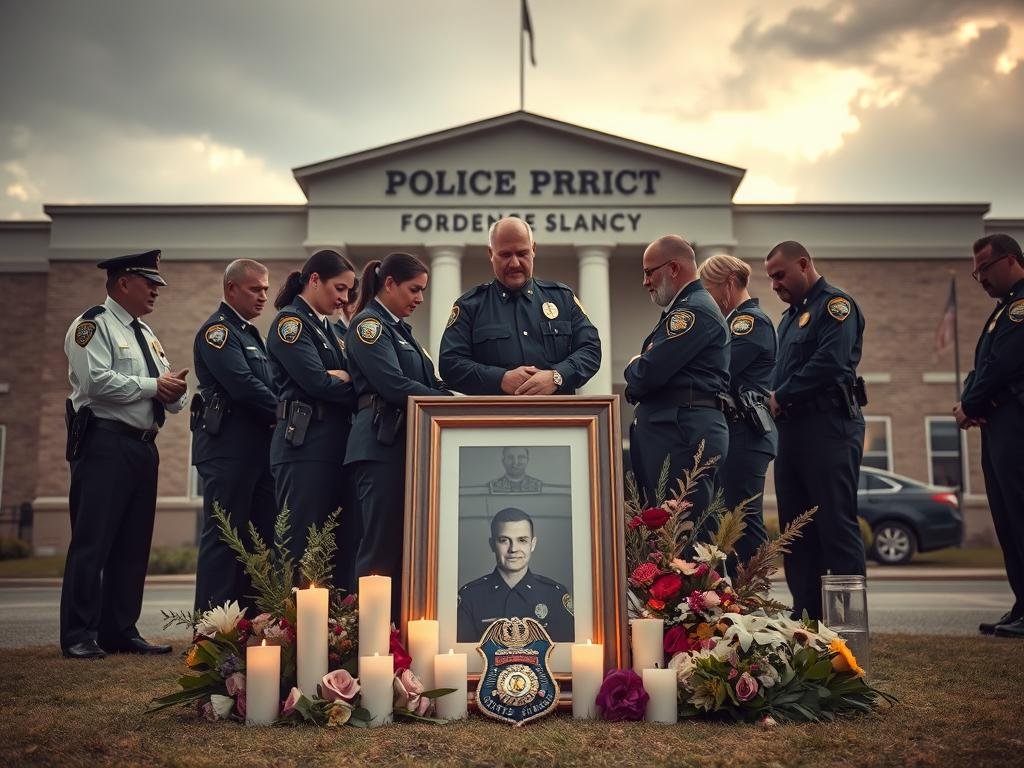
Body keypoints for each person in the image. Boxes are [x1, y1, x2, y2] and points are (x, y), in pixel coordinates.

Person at [60, 250, 188, 659]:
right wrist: (155, 386)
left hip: (143, 445)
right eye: (149, 282)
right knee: (92, 542)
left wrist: (172, 392)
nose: (155, 290)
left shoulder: (146, 333)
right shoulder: (92, 325)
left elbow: (165, 390)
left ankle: (119, 631)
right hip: (104, 443)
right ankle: (79, 635)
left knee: (133, 545)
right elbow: (94, 381)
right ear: (122, 283)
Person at [344, 252, 452, 620]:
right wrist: (448, 404)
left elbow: (432, 381)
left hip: (404, 445)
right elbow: (393, 385)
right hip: (380, 446)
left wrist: (452, 399)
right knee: (379, 547)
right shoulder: (369, 326)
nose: (420, 298)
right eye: (414, 289)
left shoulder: (402, 332)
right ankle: (371, 637)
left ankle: (398, 635)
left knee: (405, 546)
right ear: (389, 284)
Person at [765, 240, 866, 620]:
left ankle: (846, 621)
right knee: (797, 527)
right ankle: (806, 615)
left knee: (835, 524)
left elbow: (832, 362)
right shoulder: (790, 318)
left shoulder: (835, 306)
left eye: (780, 275)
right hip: (793, 431)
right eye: (770, 278)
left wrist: (782, 395)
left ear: (803, 264)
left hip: (830, 427)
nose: (775, 284)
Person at [267, 250, 358, 590]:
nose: (344, 298)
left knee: (330, 545)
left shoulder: (329, 330)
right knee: (299, 543)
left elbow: (349, 378)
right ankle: (289, 628)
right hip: (303, 445)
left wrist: (344, 377)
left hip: (331, 444)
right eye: (339, 288)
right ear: (314, 279)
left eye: (349, 292)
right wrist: (341, 380)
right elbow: (317, 382)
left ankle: (325, 630)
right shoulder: (291, 323)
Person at [624, 235, 730, 524]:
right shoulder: (686, 308)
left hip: (681, 433)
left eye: (649, 272)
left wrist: (633, 366)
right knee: (669, 537)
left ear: (673, 268)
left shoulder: (691, 311)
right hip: (677, 429)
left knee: (683, 537)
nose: (645, 281)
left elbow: (647, 373)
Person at [191, 259, 277, 613]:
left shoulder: (249, 333)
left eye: (266, 290)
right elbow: (243, 385)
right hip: (227, 449)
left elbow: (266, 383)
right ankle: (212, 631)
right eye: (255, 289)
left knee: (257, 538)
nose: (263, 297)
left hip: (256, 449)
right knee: (225, 536)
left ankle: (247, 625)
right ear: (231, 289)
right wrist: (285, 410)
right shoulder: (219, 332)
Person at [439, 216, 601, 395]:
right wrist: (500, 379)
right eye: (505, 255)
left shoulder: (563, 299)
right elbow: (450, 364)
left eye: (522, 253)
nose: (514, 263)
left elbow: (590, 350)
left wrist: (557, 376)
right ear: (491, 254)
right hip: (492, 420)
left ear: (533, 249)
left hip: (556, 419)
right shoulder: (470, 306)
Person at [954, 233, 1024, 638]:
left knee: (1021, 514)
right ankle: (1021, 604)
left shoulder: (1019, 309)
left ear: (1011, 260)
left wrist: (970, 405)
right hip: (999, 426)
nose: (979, 277)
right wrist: (970, 401)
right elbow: (981, 368)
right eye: (975, 271)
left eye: (984, 268)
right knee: (1007, 518)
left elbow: (1000, 367)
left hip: (1017, 425)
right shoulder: (1003, 310)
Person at [698, 254, 777, 566]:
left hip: (747, 431)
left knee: (743, 522)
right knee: (727, 524)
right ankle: (738, 602)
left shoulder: (749, 322)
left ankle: (754, 599)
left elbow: (719, 368)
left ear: (729, 284)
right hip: (736, 431)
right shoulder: (732, 322)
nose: (708, 298)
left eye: (710, 289)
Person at [457, 507, 574, 643]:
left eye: (522, 540)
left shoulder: (555, 595)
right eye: (504, 540)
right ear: (492, 545)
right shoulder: (470, 597)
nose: (513, 549)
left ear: (533, 544)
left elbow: (565, 657)